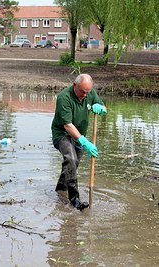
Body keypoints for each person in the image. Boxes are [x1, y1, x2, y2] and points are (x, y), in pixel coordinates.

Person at [51, 74, 107, 211]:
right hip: (62, 134)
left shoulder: (89, 93)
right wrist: (85, 142)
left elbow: (102, 106)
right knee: (71, 158)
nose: (85, 95)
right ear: (74, 85)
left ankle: (60, 189)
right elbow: (67, 125)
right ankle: (74, 200)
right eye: (82, 92)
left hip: (80, 135)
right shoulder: (64, 98)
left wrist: (101, 108)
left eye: (87, 92)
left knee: (73, 164)